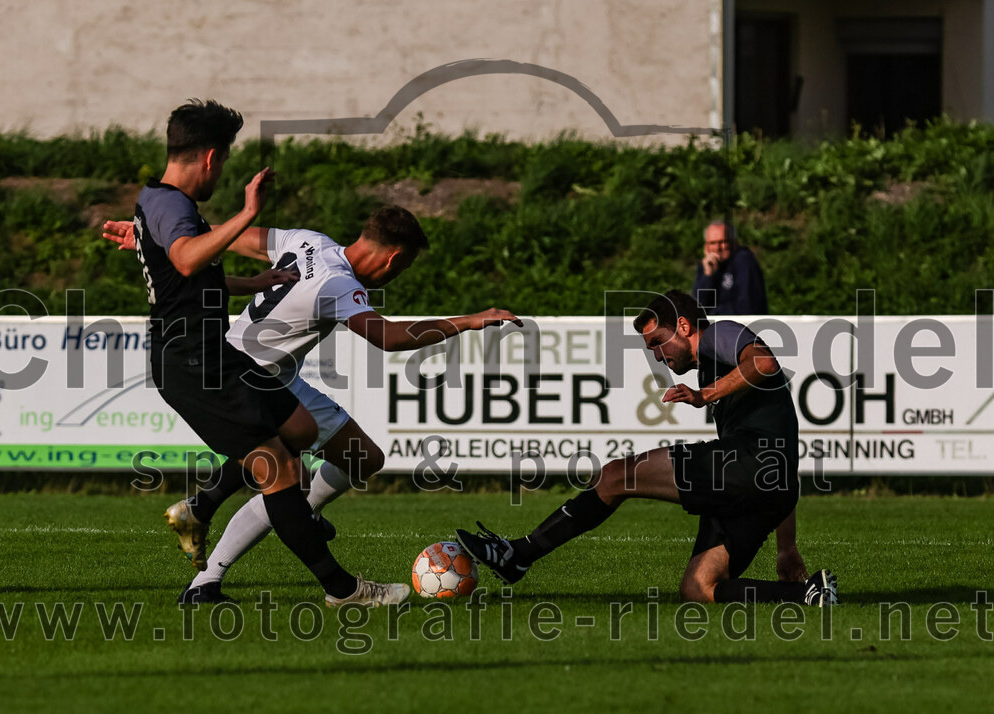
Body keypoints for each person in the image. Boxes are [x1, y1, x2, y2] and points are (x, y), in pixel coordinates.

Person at [105, 204, 521, 603]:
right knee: (284, 476)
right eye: (404, 268)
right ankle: (223, 558)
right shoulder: (339, 283)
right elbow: (388, 338)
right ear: (394, 260)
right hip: (252, 379)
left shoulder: (307, 241)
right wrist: (467, 321)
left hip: (253, 368)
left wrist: (153, 241)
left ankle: (266, 526)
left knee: (360, 458)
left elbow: (229, 238)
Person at [118, 98, 407, 607]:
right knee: (281, 471)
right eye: (224, 160)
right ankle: (340, 587)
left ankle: (211, 509)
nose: (223, 170)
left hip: (214, 356)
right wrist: (246, 213)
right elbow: (186, 260)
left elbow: (191, 270)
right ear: (210, 158)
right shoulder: (173, 206)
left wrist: (254, 280)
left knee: (299, 431)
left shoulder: (157, 201)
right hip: (193, 361)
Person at [456, 289, 837, 605]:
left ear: (685, 327)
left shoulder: (721, 335)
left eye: (659, 342)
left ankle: (518, 555)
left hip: (749, 466)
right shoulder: (714, 367)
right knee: (697, 588)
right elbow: (781, 467)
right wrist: (786, 549)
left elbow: (765, 362)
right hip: (767, 487)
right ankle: (807, 592)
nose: (658, 355)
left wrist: (706, 393)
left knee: (617, 475)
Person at [692, 221, 768, 315]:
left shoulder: (744, 261)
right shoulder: (707, 266)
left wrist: (712, 313)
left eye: (722, 242)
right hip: (715, 326)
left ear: (733, 242)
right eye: (712, 243)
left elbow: (746, 307)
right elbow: (696, 309)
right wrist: (708, 276)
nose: (717, 248)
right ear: (706, 246)